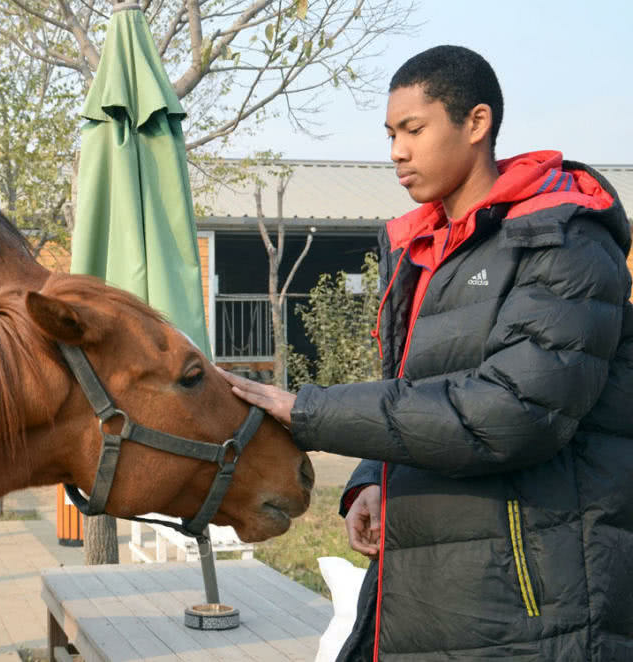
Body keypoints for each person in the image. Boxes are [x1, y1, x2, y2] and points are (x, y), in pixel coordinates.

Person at [221, 44, 632, 660]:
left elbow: (510, 412)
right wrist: (370, 479)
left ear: (476, 123)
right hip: (425, 587)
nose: (396, 152)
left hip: (532, 603)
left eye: (414, 129)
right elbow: (418, 387)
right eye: (390, 133)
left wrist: (310, 410)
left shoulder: (564, 243)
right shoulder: (422, 252)